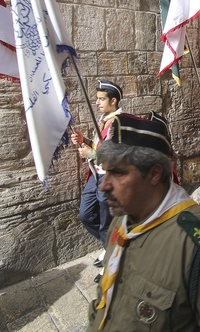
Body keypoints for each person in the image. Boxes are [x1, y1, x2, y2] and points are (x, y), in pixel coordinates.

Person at [89, 113, 200, 331]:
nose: (103, 185)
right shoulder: (123, 216)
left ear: (154, 174)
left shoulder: (194, 242)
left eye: (118, 173)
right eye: (106, 172)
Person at [71, 80, 123, 277]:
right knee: (85, 215)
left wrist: (90, 154)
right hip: (95, 175)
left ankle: (113, 260)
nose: (98, 103)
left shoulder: (118, 122)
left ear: (113, 100)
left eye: (102, 99)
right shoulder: (103, 118)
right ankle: (108, 244)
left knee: (106, 221)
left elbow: (115, 155)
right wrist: (84, 140)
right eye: (97, 99)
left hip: (108, 177)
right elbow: (98, 144)